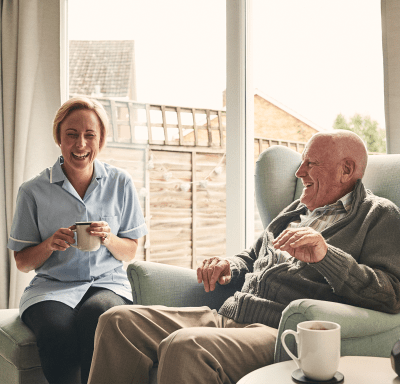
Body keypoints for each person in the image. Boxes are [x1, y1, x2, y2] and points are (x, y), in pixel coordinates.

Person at [87, 130, 400, 384]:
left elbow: (391, 294)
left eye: (311, 163)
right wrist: (229, 264)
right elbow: (252, 255)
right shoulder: (297, 210)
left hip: (279, 331)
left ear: (347, 169)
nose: (298, 171)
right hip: (229, 315)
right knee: (117, 321)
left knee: (185, 347)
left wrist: (324, 255)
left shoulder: (378, 215)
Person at [8, 96, 148, 384]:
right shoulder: (32, 191)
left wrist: (108, 238)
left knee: (98, 317)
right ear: (59, 138)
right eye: (71, 135)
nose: (80, 144)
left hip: (107, 283)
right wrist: (49, 244)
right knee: (56, 331)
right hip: (51, 287)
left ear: (101, 140)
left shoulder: (121, 183)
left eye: (89, 135)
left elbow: (131, 250)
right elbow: (22, 262)